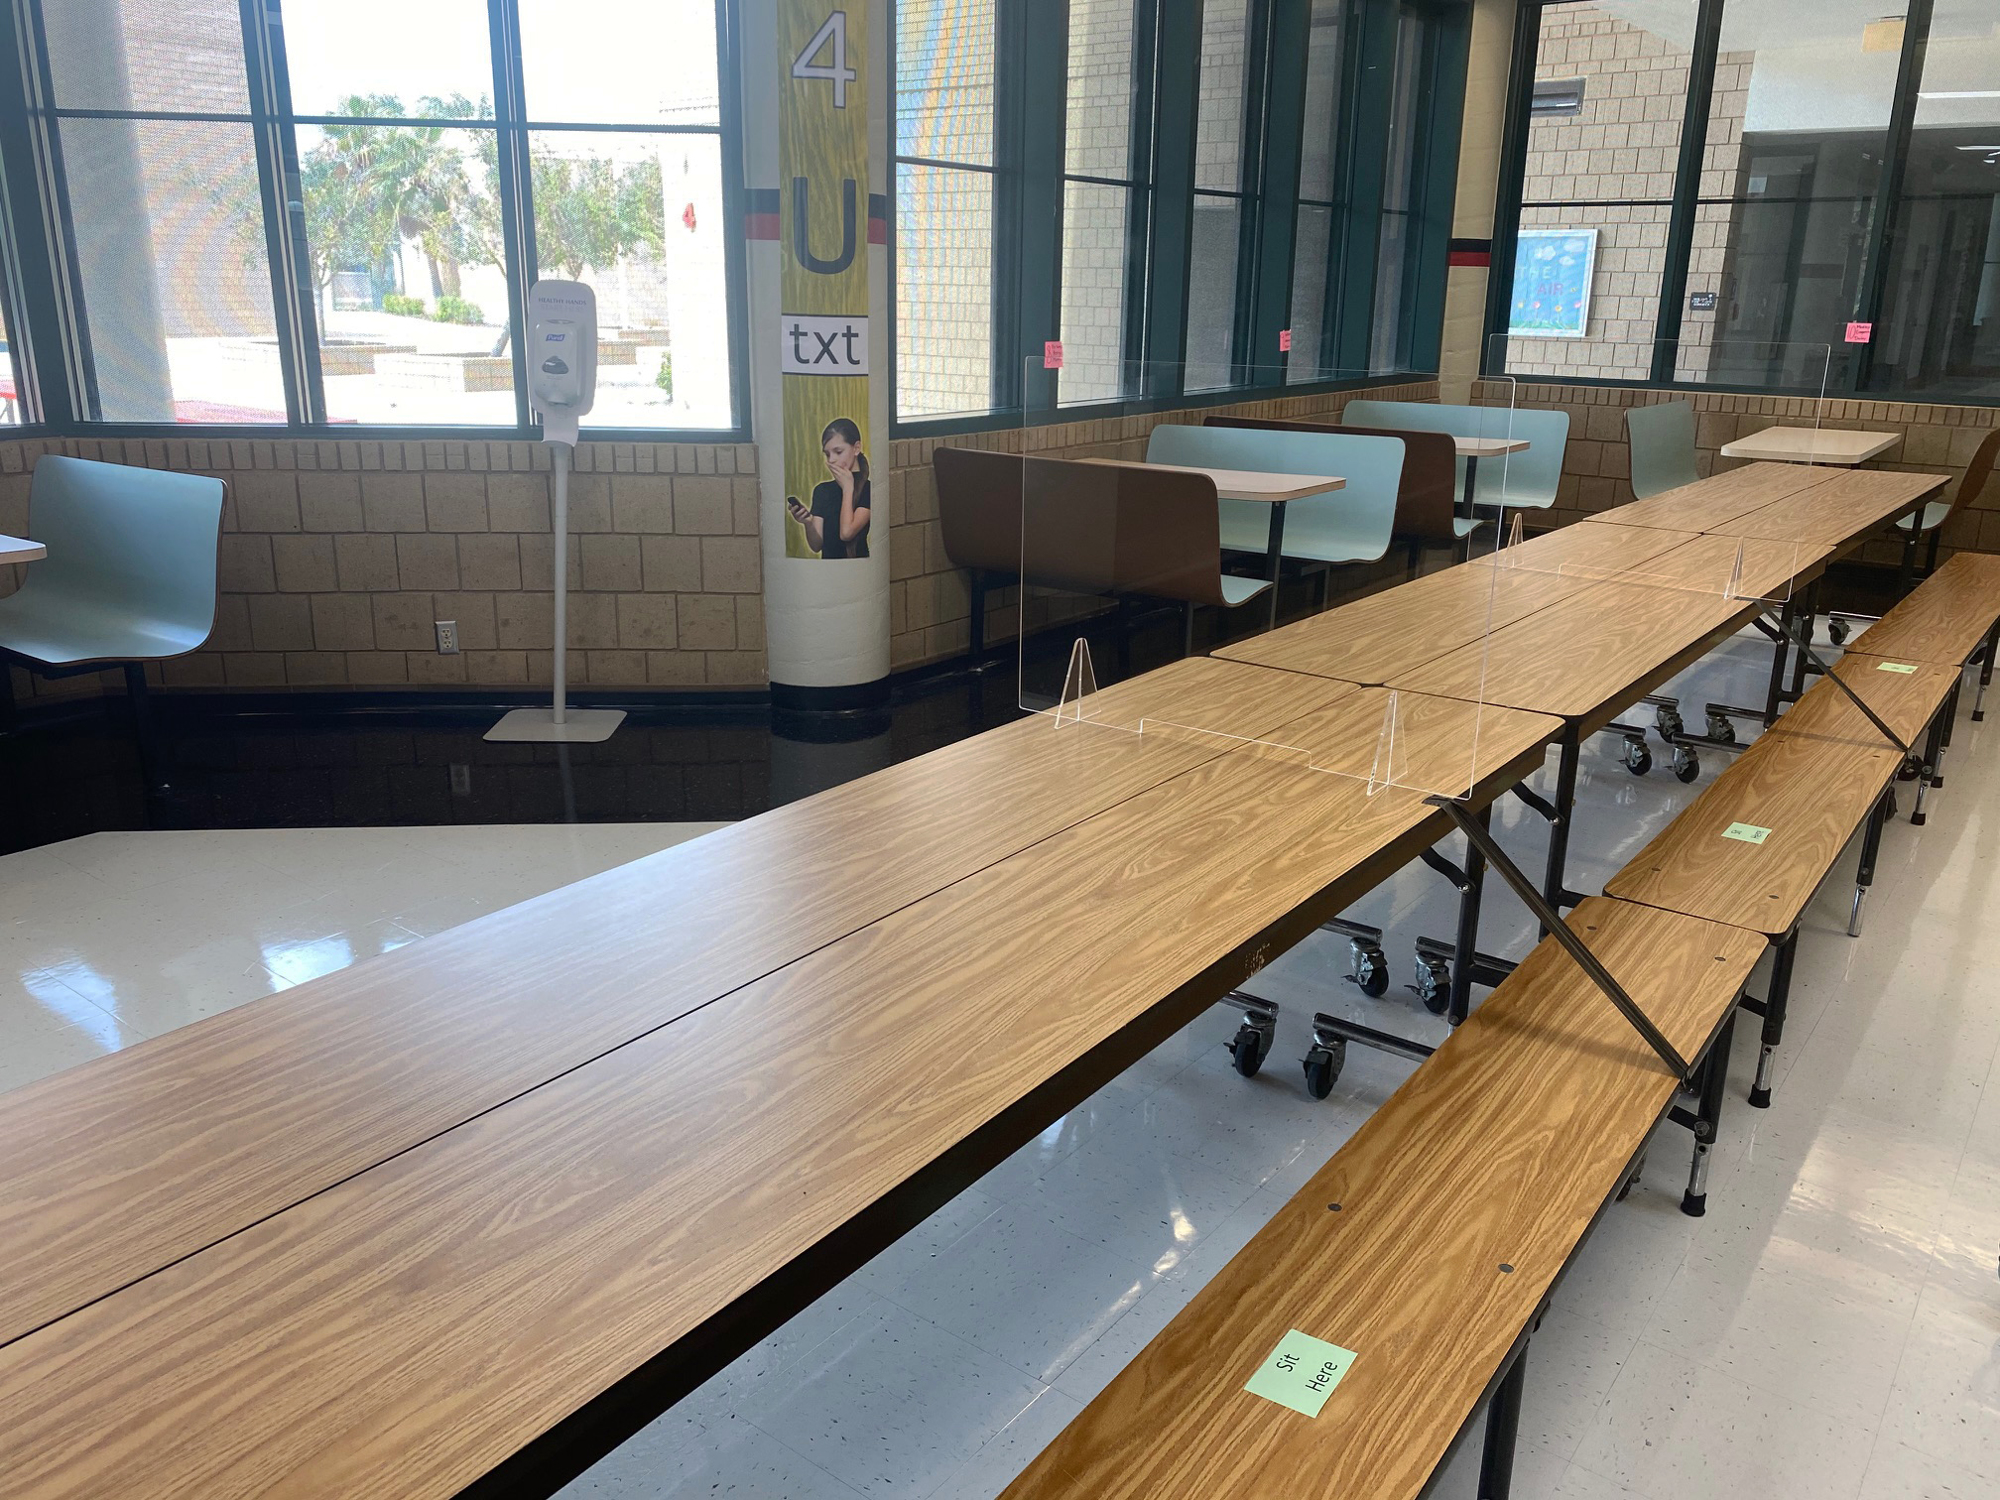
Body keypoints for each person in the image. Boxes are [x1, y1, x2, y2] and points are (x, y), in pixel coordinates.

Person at [786, 417, 872, 559]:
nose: (831, 459)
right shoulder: (822, 490)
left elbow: (846, 533)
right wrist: (808, 523)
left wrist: (847, 489)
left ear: (856, 448)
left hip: (858, 570)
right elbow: (816, 546)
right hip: (827, 570)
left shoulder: (868, 489)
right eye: (827, 454)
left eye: (838, 452)